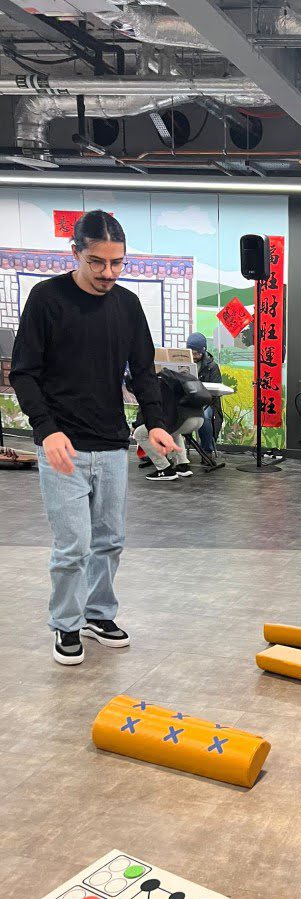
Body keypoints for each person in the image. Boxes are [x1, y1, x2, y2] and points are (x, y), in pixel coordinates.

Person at [9, 210, 177, 666]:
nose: (108, 273)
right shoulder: (47, 299)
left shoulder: (126, 305)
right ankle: (65, 624)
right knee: (73, 546)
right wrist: (46, 431)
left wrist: (156, 421)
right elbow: (24, 372)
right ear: (76, 254)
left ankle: (98, 614)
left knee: (109, 540)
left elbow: (143, 370)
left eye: (117, 263)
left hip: (110, 444)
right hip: (63, 447)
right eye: (97, 262)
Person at [186, 331, 223, 459]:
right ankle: (176, 450)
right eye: (191, 353)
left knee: (205, 416)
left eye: (197, 353)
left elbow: (216, 391)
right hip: (187, 400)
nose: (194, 356)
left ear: (203, 351)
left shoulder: (212, 367)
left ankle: (207, 450)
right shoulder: (184, 364)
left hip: (207, 402)